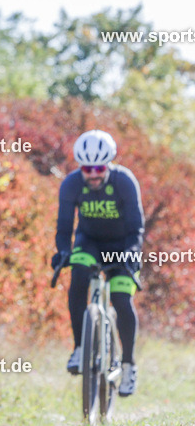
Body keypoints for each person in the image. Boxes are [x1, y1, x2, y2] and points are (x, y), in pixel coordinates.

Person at [52, 129, 144, 396]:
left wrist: (131, 253)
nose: (93, 174)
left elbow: (136, 228)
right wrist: (62, 251)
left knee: (121, 299)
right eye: (87, 168)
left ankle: (128, 366)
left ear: (109, 164)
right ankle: (80, 347)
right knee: (78, 275)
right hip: (89, 242)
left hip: (122, 247)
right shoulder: (71, 184)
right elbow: (64, 227)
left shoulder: (124, 182)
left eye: (99, 168)